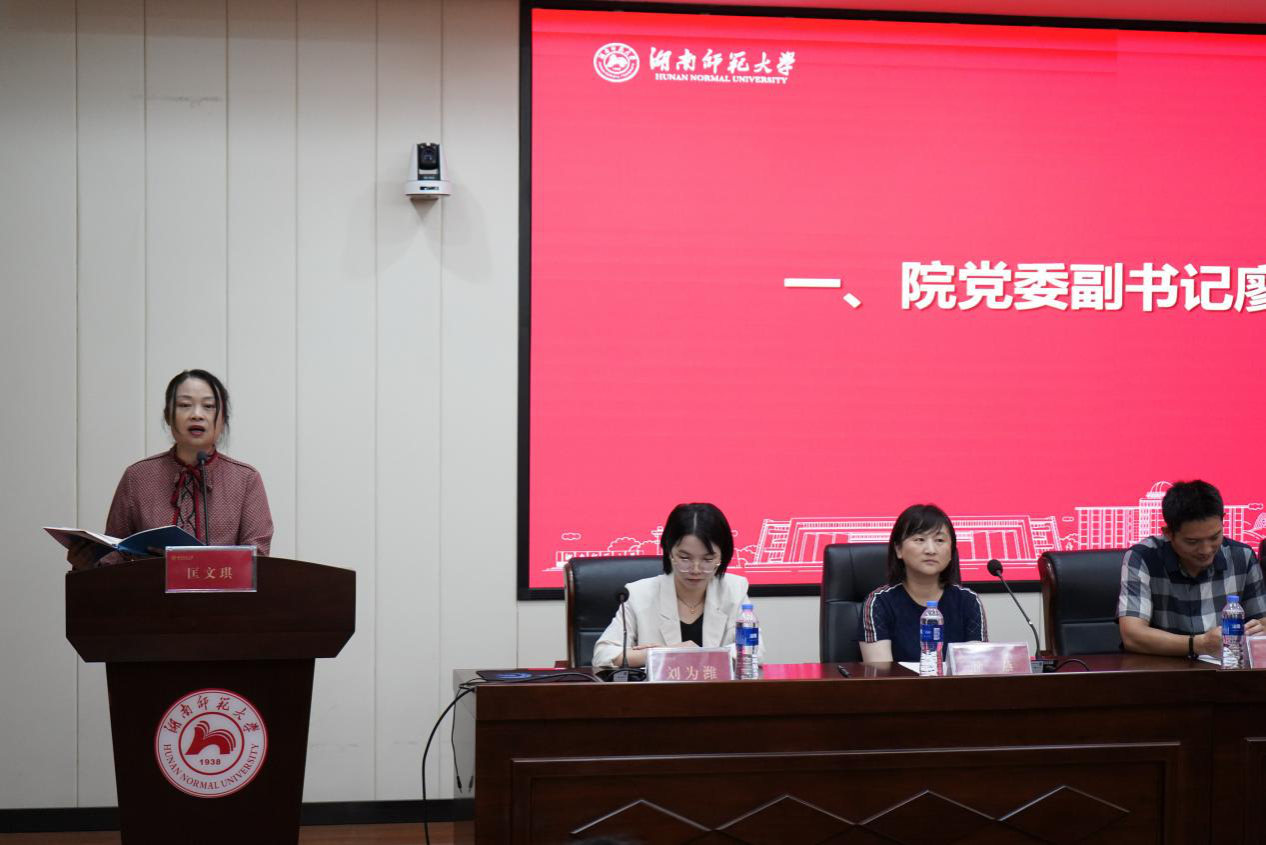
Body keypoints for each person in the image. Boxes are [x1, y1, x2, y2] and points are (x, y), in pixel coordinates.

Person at [66, 369, 273, 570]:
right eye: (184, 405)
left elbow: (257, 561)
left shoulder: (246, 479)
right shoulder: (137, 477)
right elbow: (114, 556)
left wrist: (188, 564)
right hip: (148, 593)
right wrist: (87, 564)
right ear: (168, 416)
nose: (196, 414)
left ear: (223, 418)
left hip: (221, 594)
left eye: (208, 406)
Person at [591, 502, 764, 670]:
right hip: (659, 690)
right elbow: (603, 654)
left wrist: (699, 655)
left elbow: (755, 650)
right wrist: (666, 653)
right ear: (669, 552)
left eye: (708, 559)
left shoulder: (734, 589)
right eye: (685, 558)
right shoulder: (639, 594)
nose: (695, 569)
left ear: (722, 556)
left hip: (715, 688)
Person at [1118, 479, 1265, 657]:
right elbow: (1133, 636)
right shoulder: (1142, 557)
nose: (1206, 550)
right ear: (1168, 533)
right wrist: (1200, 644)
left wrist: (1258, 630)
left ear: (1223, 522)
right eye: (1192, 542)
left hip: (1226, 667)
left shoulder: (1242, 556)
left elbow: (1262, 621)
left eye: (1214, 537)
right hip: (1162, 668)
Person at [859, 503, 987, 663]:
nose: (931, 550)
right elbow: (881, 673)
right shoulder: (879, 603)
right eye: (920, 539)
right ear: (898, 549)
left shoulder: (968, 601)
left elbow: (977, 668)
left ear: (951, 552)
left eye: (939, 540)